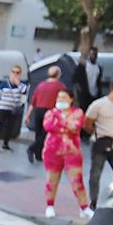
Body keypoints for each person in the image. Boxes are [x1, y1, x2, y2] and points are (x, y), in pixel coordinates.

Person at [42, 90, 94, 218]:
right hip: (52, 152)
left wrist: (58, 124)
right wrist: (66, 125)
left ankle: (84, 208)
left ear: (71, 99)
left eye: (64, 97)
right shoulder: (50, 113)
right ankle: (50, 206)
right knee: (51, 180)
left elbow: (76, 126)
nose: (60, 99)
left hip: (72, 152)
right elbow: (48, 126)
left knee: (77, 181)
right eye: (59, 97)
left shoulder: (78, 112)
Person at [27, 65, 67, 164]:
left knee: (38, 132)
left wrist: (28, 115)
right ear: (58, 74)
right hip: (50, 112)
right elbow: (63, 101)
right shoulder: (60, 86)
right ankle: (32, 148)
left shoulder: (40, 85)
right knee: (46, 134)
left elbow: (33, 102)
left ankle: (38, 155)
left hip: (38, 111)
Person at [0, 64, 29, 151]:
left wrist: (18, 83)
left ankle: (6, 143)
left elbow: (25, 91)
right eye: (13, 72)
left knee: (10, 127)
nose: (15, 74)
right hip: (3, 108)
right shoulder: (4, 84)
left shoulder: (21, 84)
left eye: (17, 72)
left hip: (13, 109)